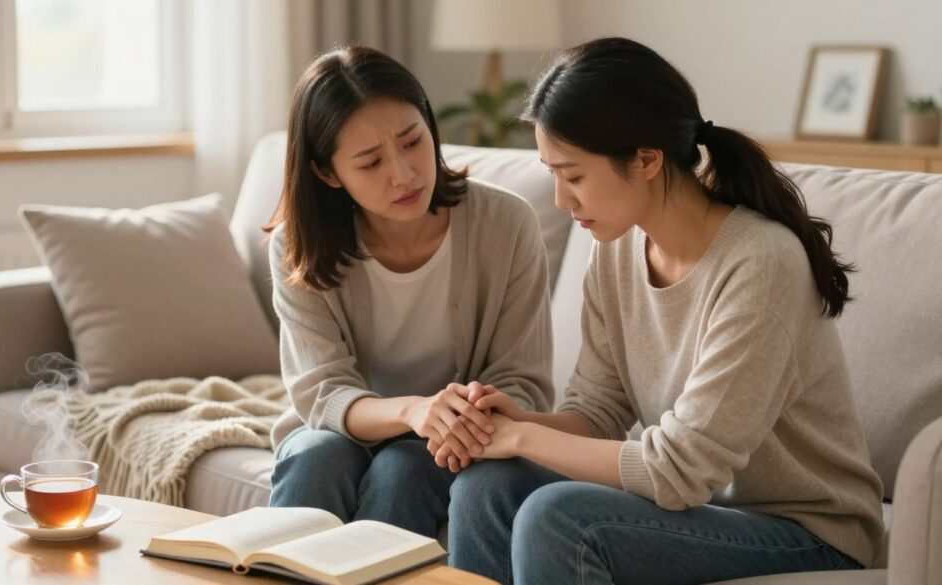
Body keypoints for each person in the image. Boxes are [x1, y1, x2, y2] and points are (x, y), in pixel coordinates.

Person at [445, 37, 885, 584]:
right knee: (484, 486)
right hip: (698, 514)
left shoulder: (760, 262)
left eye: (574, 175)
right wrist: (508, 425)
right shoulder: (615, 250)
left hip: (807, 533)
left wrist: (522, 440)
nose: (561, 200)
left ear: (647, 159)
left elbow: (681, 469)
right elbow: (599, 412)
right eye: (552, 173)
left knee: (559, 519)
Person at [264, 45, 554, 538]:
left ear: (429, 124)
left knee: (405, 467)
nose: (404, 173)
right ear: (327, 173)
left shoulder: (506, 223)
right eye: (371, 162)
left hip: (452, 438)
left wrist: (451, 419)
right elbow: (322, 393)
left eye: (412, 141)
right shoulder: (298, 245)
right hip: (341, 428)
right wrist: (413, 410)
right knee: (315, 458)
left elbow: (521, 381)